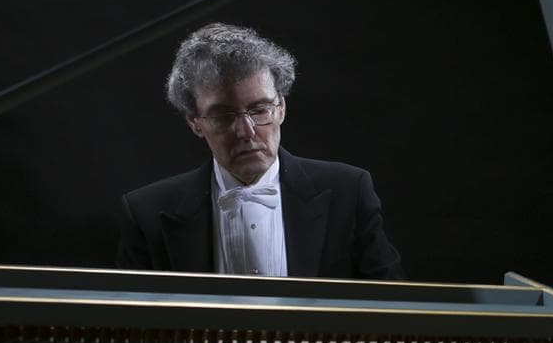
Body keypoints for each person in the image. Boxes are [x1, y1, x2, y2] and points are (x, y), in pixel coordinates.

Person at [116, 23, 404, 279]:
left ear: (281, 108)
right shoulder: (146, 213)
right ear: (195, 123)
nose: (246, 131)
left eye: (259, 110)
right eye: (224, 116)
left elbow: (396, 311)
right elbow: (131, 328)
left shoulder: (349, 191)